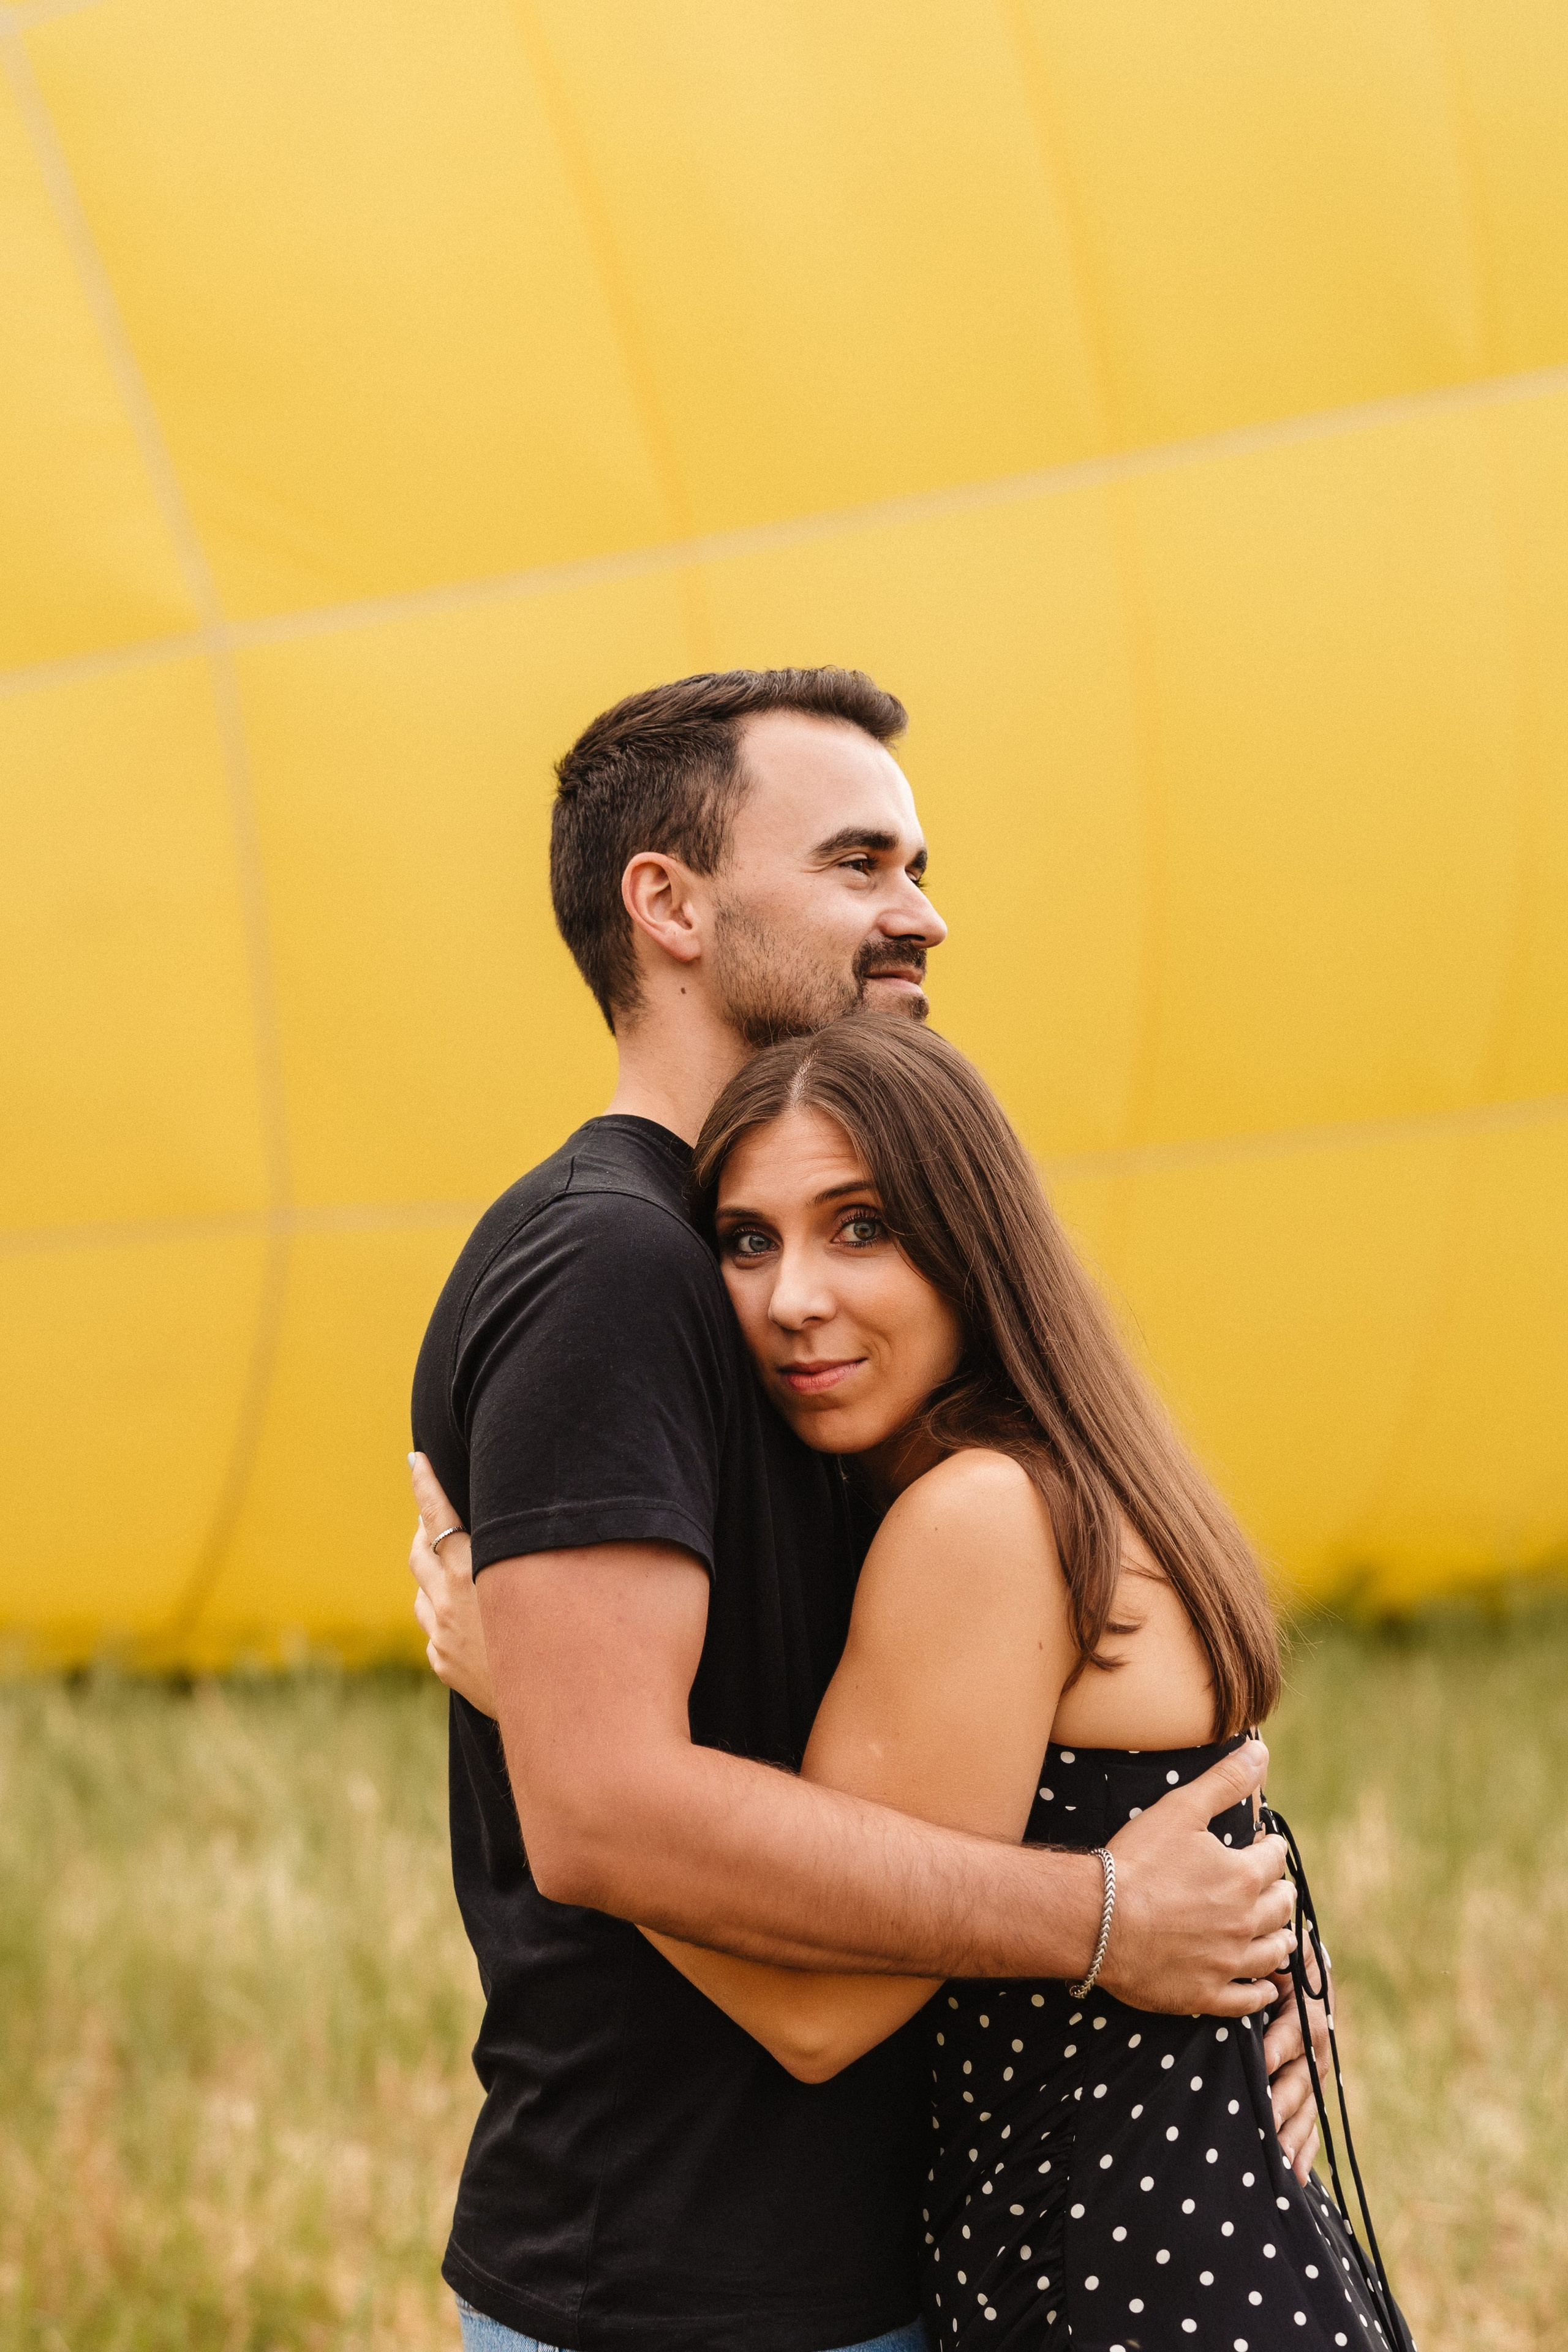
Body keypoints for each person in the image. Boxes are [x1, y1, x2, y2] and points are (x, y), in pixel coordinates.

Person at [409, 668, 1315, 2352]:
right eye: (859, 866)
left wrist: (1218, 2006)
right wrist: (1113, 1930)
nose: (924, 915)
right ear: (667, 906)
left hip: (901, 2264)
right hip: (681, 2291)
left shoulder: (826, 1362)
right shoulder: (617, 1268)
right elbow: (598, 1808)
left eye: (918, 864)